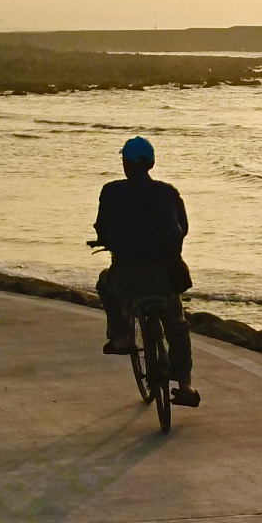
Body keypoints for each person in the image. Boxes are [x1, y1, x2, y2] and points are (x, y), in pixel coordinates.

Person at [93, 136, 198, 406]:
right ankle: (185, 385)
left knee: (105, 283)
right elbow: (182, 228)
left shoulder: (112, 191)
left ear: (126, 164)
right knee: (177, 325)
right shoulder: (169, 192)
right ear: (151, 164)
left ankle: (121, 336)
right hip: (166, 275)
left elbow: (103, 229)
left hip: (128, 276)